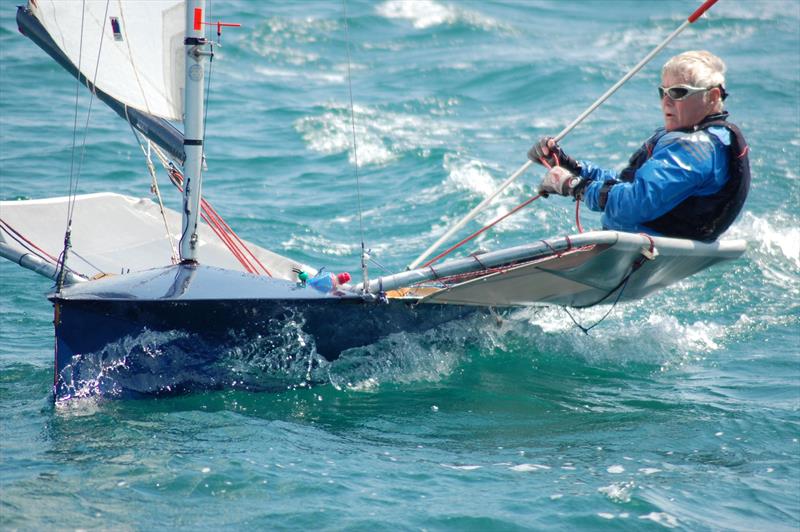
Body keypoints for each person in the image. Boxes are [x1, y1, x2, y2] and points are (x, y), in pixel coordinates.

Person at [529, 50, 750, 242]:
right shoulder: (696, 138)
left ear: (711, 97)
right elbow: (627, 184)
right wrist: (573, 167)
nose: (666, 101)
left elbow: (635, 203)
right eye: (663, 92)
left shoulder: (697, 149)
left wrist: (574, 185)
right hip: (643, 246)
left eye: (678, 92)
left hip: (649, 251)